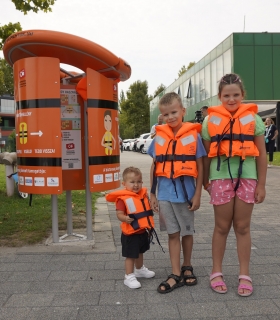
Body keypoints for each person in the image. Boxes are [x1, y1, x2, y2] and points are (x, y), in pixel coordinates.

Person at [202, 73, 267, 297]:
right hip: (220, 177)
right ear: (219, 96)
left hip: (247, 177)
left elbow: (261, 155)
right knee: (221, 227)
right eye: (226, 95)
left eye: (236, 95)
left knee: (242, 227)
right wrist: (204, 181)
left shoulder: (254, 119)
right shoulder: (209, 121)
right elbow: (205, 155)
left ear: (242, 95)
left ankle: (244, 274)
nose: (231, 99)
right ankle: (216, 271)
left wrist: (262, 185)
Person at [148, 92, 206, 294]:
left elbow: (200, 166)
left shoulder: (194, 136)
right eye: (166, 114)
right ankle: (175, 273)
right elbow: (155, 166)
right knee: (172, 234)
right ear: (161, 117)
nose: (171, 117)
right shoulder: (158, 138)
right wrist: (152, 194)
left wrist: (198, 194)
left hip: (186, 195)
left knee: (187, 232)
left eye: (174, 112)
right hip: (164, 195)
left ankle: (187, 265)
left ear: (183, 111)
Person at [105, 167, 155, 289]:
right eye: (132, 182)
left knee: (140, 252)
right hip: (130, 233)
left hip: (142, 231)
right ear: (124, 184)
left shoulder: (143, 195)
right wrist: (124, 218)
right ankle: (129, 276)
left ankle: (139, 270)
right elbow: (119, 213)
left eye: (139, 181)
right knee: (131, 255)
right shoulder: (123, 198)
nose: (136, 185)